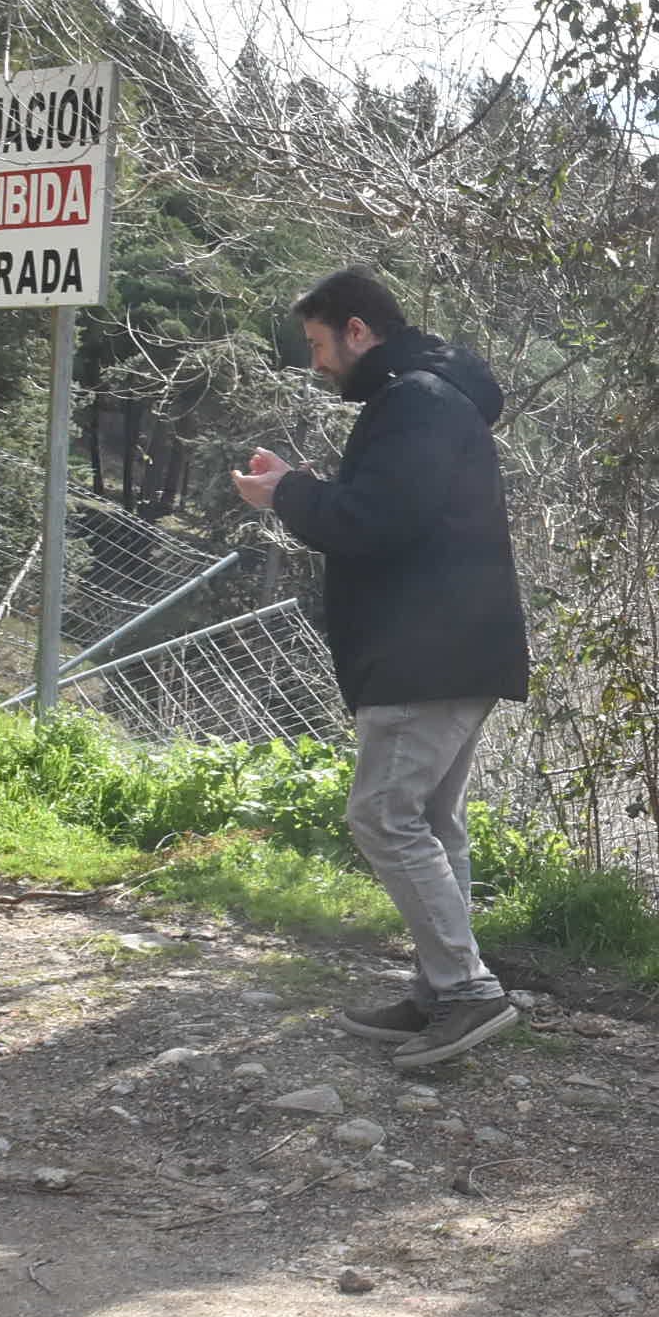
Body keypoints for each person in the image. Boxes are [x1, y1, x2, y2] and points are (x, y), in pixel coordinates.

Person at [232, 267, 530, 1069]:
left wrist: (289, 493)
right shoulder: (433, 398)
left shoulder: (416, 403)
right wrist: (297, 490)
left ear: (358, 330)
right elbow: (397, 510)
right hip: (451, 644)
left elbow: (376, 523)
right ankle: (442, 990)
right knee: (432, 822)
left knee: (384, 816)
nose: (318, 364)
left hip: (423, 649)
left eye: (320, 345)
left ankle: (467, 992)